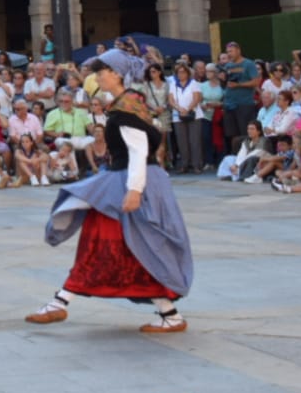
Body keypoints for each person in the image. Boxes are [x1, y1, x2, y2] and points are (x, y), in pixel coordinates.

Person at [27, 51, 194, 334]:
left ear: (116, 74)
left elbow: (139, 151)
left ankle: (61, 302)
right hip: (124, 181)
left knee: (115, 243)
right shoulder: (125, 105)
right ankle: (169, 314)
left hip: (130, 183)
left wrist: (134, 191)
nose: (97, 77)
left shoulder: (125, 108)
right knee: (127, 245)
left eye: (101, 72)